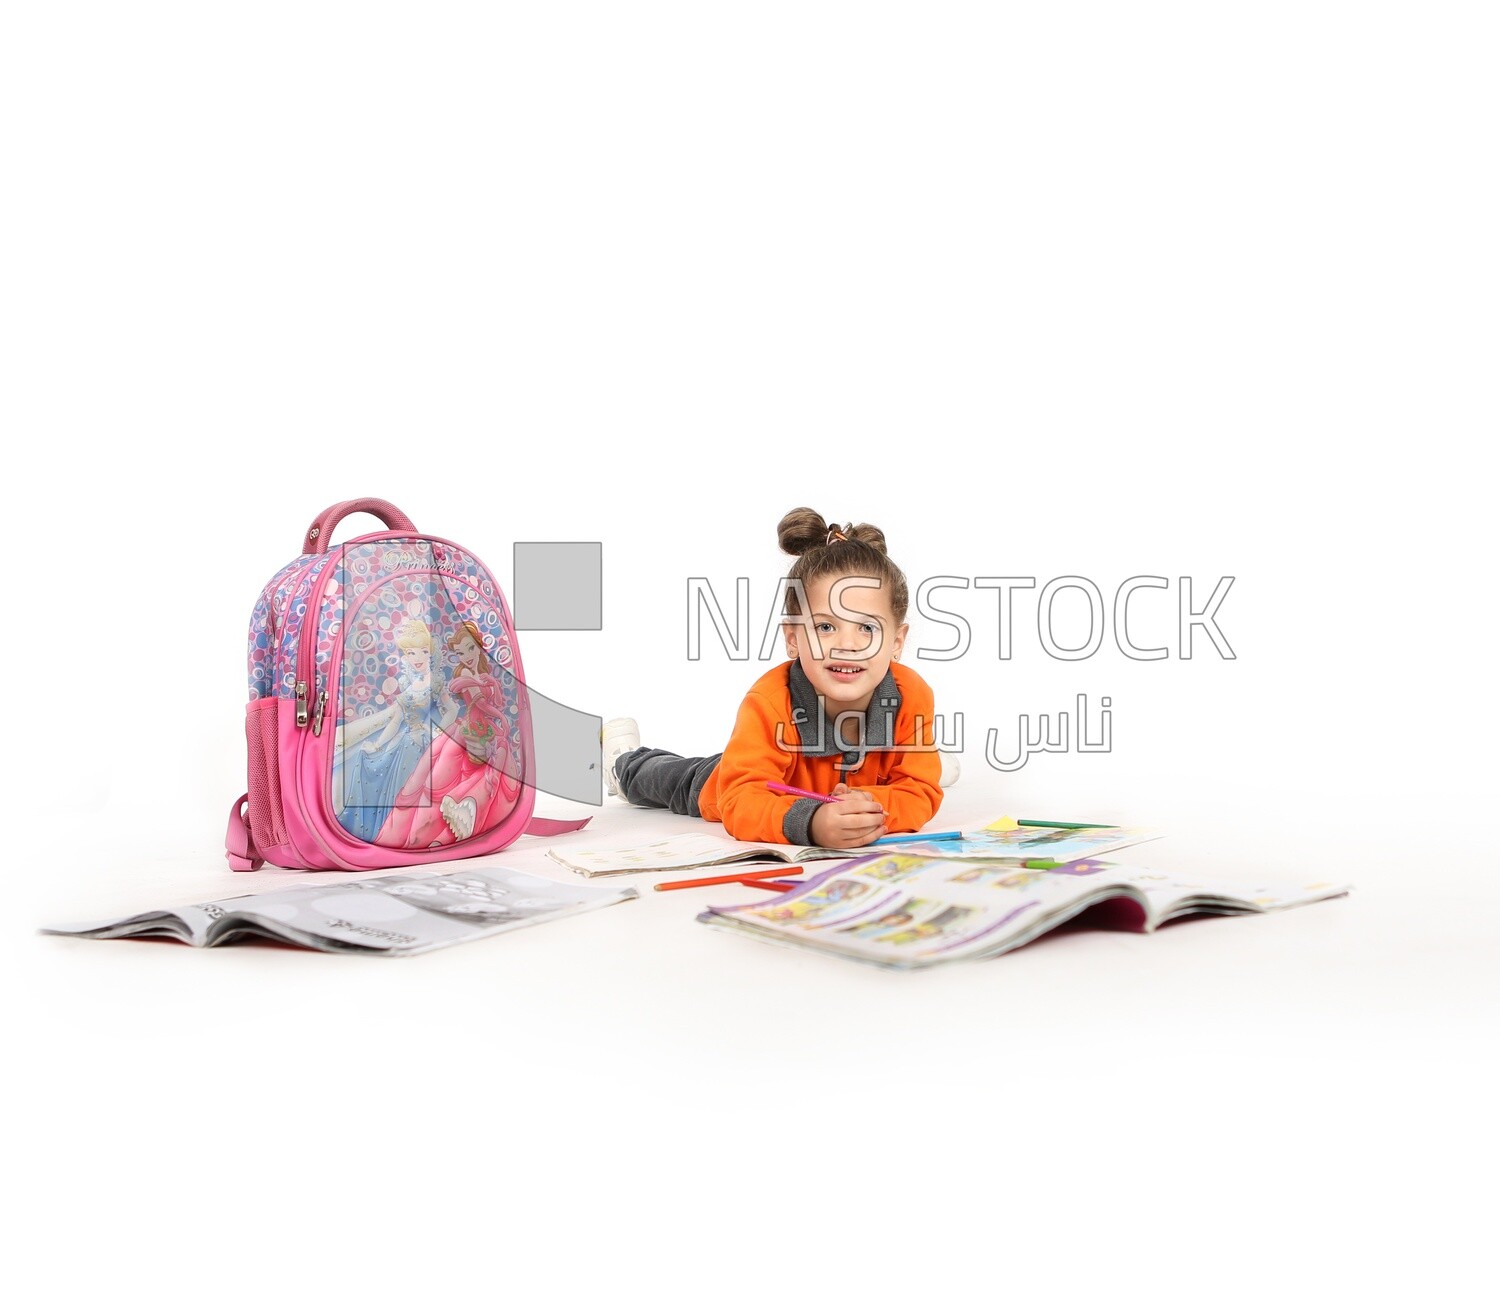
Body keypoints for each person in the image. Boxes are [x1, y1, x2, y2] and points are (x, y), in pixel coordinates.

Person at [603, 507, 954, 849]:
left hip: (827, 784)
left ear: (897, 642)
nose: (847, 644)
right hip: (724, 782)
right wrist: (813, 823)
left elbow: (919, 792)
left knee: (921, 770)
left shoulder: (911, 694)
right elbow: (741, 801)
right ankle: (625, 763)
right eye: (826, 627)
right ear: (792, 639)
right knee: (669, 778)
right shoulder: (771, 700)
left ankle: (911, 764)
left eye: (866, 627)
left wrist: (872, 804)